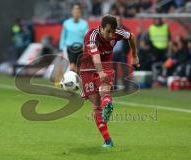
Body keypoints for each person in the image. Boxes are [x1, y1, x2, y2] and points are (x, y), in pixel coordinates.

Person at [78, 15, 139, 148]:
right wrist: (99, 72)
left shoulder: (117, 32)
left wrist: (134, 55)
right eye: (108, 31)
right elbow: (95, 56)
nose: (111, 35)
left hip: (105, 63)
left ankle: (108, 106)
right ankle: (107, 139)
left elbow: (131, 36)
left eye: (113, 32)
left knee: (103, 91)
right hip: (87, 67)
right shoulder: (91, 36)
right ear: (101, 27)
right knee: (96, 105)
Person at [59, 3, 88, 72]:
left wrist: (85, 46)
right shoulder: (66, 23)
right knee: (71, 68)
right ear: (72, 12)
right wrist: (61, 48)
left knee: (79, 69)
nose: (76, 13)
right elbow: (63, 36)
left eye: (78, 11)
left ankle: (76, 80)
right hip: (69, 48)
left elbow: (87, 37)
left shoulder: (84, 24)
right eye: (75, 11)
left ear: (80, 13)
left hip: (80, 48)